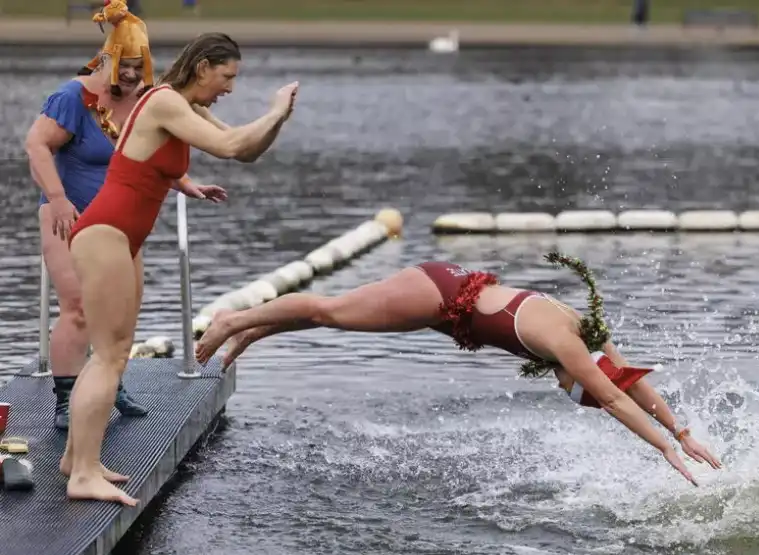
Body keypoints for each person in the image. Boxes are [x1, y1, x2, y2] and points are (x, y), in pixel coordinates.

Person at [195, 252, 723, 486]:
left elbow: (627, 379)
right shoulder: (569, 344)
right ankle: (231, 319)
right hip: (439, 295)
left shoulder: (589, 334)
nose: (569, 387)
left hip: (451, 305)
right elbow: (612, 397)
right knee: (331, 309)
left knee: (341, 319)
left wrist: (679, 428)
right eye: (574, 390)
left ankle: (253, 329)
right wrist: (667, 451)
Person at [61, 31, 299, 506]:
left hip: (122, 235)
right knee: (109, 355)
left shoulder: (186, 108)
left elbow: (245, 151)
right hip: (105, 230)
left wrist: (276, 121)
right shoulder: (168, 101)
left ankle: (76, 458)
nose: (229, 87)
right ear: (204, 66)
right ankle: (82, 474)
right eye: (227, 76)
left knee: (116, 352)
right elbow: (232, 146)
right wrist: (274, 110)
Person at [24, 2, 225, 431]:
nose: (132, 74)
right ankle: (65, 397)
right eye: (125, 65)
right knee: (78, 307)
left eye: (140, 66)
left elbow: (144, 157)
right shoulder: (72, 97)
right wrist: (57, 198)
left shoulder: (143, 102)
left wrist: (185, 184)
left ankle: (109, 383)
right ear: (108, 58)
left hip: (118, 224)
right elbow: (36, 145)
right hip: (68, 217)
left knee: (120, 311)